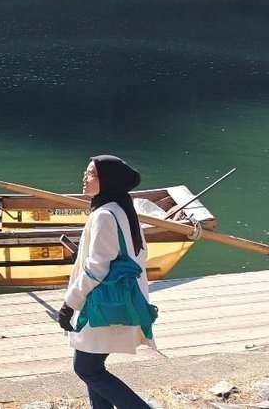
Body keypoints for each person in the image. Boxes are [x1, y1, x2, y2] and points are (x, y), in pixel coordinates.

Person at [57, 155, 153, 409]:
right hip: (120, 299)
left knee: (86, 368)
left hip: (102, 303)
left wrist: (69, 303)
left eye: (91, 174)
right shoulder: (122, 209)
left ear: (108, 180)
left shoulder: (104, 216)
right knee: (92, 367)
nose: (84, 178)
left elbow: (96, 269)